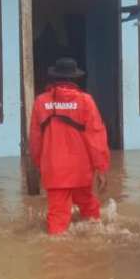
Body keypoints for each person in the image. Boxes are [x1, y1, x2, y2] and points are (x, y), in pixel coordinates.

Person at [28, 57, 110, 235]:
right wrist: (101, 168)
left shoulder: (41, 102)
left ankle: (57, 257)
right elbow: (96, 136)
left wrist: (38, 164)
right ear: (74, 79)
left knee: (57, 222)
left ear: (54, 77)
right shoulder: (85, 101)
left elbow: (35, 139)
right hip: (81, 170)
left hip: (54, 171)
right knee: (91, 214)